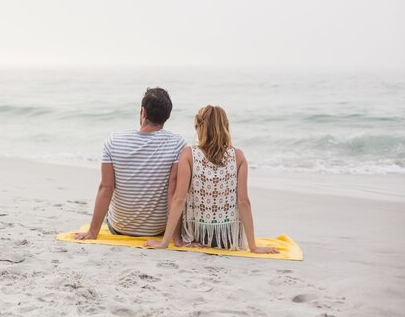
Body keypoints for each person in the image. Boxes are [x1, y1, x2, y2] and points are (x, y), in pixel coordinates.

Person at [145, 105, 278, 253]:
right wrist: (253, 246)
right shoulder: (238, 157)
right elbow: (243, 202)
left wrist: (165, 242)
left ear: (200, 128)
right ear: (225, 127)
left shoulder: (189, 154)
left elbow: (179, 199)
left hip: (197, 236)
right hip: (227, 238)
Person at [75, 87, 186, 239]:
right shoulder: (178, 144)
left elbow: (106, 188)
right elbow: (173, 194)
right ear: (167, 116)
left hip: (118, 227)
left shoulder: (114, 141)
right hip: (157, 230)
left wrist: (92, 232)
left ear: (143, 112)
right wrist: (175, 237)